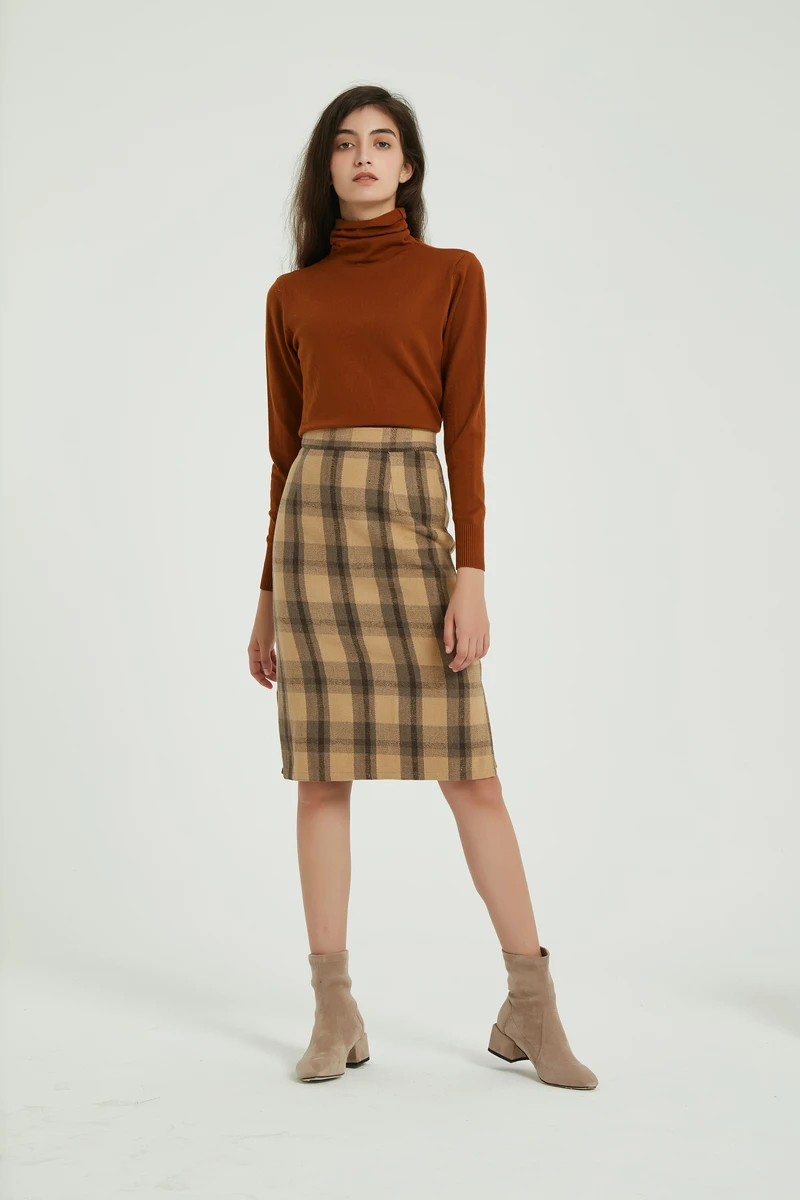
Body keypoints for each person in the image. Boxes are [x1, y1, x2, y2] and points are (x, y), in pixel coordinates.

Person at [248, 84, 597, 1090]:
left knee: (472, 777)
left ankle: (530, 1007)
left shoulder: (453, 275)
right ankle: (334, 1009)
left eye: (381, 141)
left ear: (407, 168)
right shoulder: (290, 295)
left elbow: (467, 429)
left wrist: (470, 573)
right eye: (344, 143)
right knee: (321, 777)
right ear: (327, 169)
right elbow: (281, 456)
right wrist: (265, 598)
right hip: (314, 537)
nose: (362, 155)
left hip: (411, 525)